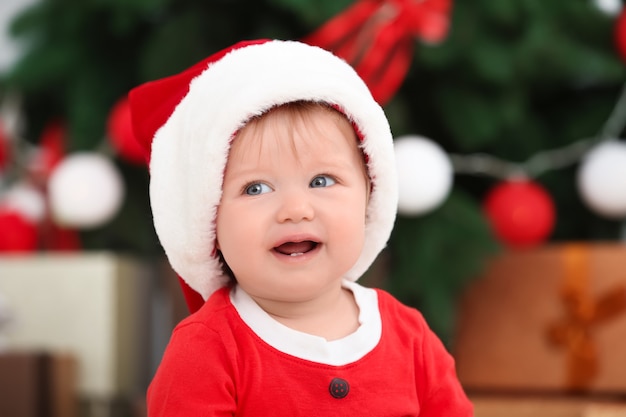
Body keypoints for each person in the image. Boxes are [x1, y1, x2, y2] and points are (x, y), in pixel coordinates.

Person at [129, 39, 472, 416]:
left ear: (370, 195)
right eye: (255, 188)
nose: (294, 210)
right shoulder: (207, 350)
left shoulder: (410, 337)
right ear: (208, 220)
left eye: (322, 181)